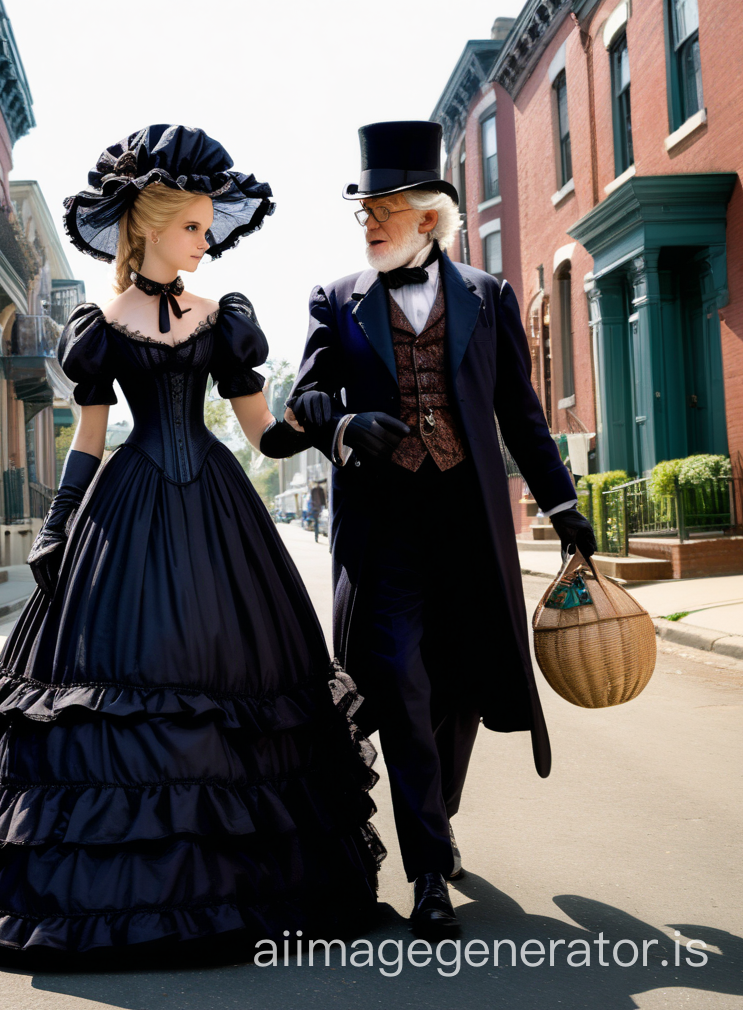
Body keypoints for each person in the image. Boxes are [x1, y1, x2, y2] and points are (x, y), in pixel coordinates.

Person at [0, 125, 384, 956]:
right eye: (194, 227)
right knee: (111, 684)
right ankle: (116, 901)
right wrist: (56, 529)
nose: (207, 240)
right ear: (149, 226)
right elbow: (88, 440)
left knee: (235, 674)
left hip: (219, 514)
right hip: (126, 510)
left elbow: (262, 435)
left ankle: (241, 889)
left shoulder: (224, 320)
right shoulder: (100, 326)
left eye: (207, 226)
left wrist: (333, 431)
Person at [285, 121, 596, 939]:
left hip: (467, 521)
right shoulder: (335, 299)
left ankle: (437, 815)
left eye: (382, 207)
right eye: (362, 211)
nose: (368, 223)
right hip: (385, 529)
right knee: (402, 685)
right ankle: (427, 873)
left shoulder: (487, 298)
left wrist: (564, 509)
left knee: (457, 686)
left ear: (428, 216)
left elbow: (523, 420)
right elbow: (307, 406)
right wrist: (349, 424)